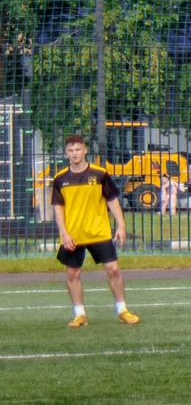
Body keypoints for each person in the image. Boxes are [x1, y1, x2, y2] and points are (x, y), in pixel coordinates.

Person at [50, 135, 139, 328]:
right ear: (66, 153)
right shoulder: (60, 179)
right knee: (72, 274)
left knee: (113, 270)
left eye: (78, 149)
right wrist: (64, 233)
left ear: (85, 150)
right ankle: (79, 314)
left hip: (99, 232)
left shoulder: (99, 174)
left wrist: (121, 225)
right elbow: (58, 208)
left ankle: (122, 310)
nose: (74, 154)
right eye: (70, 151)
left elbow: (112, 200)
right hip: (74, 235)